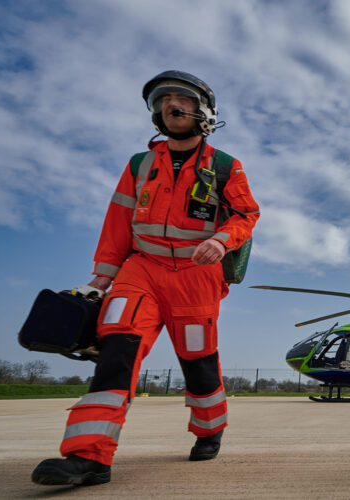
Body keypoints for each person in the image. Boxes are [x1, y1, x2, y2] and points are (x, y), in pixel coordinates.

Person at [32, 70, 260, 486]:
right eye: (163, 99)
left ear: (204, 112)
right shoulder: (139, 165)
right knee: (116, 349)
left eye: (181, 98)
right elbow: (118, 221)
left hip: (197, 275)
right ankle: (88, 456)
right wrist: (101, 278)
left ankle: (209, 430)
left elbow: (247, 214)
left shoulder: (226, 166)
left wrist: (223, 240)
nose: (170, 104)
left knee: (198, 360)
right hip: (142, 269)